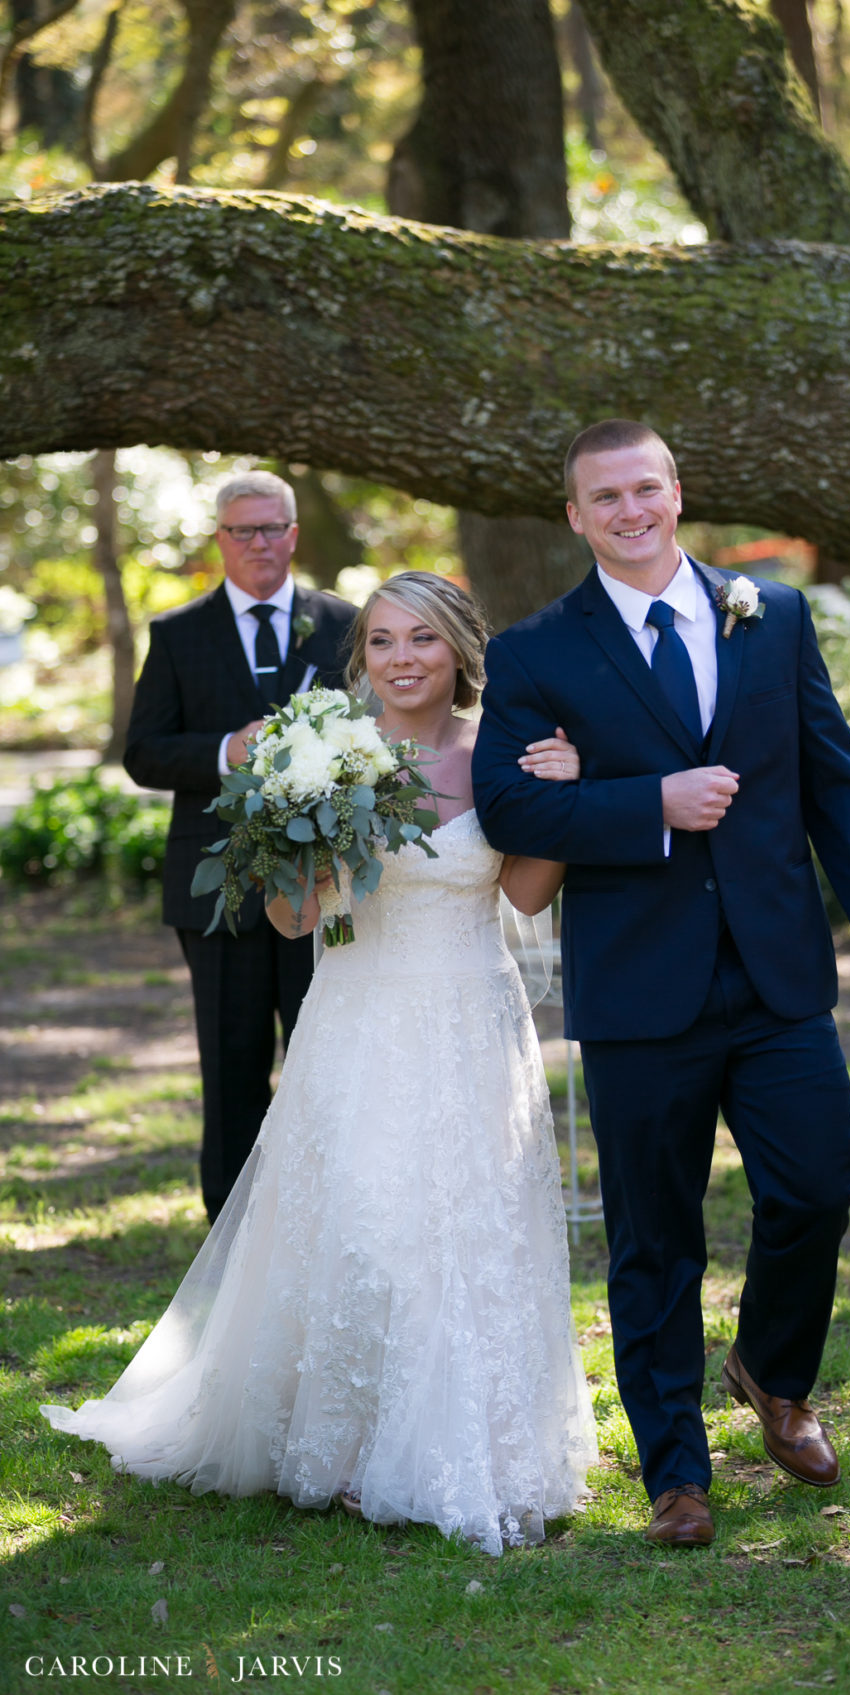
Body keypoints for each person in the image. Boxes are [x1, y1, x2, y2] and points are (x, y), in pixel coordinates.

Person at [43, 572, 597, 1555]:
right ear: (361, 657)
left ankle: (481, 1441)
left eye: (421, 640)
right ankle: (342, 1442)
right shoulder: (326, 751)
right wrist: (301, 818)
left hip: (472, 1013)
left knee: (467, 1221)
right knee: (364, 1218)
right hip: (358, 1012)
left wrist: (561, 800)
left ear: (460, 651)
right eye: (381, 641)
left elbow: (521, 895)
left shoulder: (499, 753)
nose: (400, 659)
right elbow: (293, 918)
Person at [471, 419, 850, 1549]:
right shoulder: (536, 654)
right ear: (573, 516)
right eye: (602, 498)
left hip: (775, 973)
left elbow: (835, 778)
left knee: (818, 1184)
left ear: (677, 493)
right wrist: (645, 803)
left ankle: (771, 1373)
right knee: (655, 1237)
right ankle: (675, 1473)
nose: (628, 512)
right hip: (637, 986)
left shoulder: (771, 614)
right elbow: (511, 813)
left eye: (644, 490)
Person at [123, 471, 356, 1223]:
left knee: (327, 1059)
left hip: (322, 880)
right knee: (230, 1066)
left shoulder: (346, 622)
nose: (258, 543)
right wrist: (228, 748)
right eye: (241, 530)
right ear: (220, 539)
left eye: (271, 528)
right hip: (215, 885)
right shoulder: (177, 633)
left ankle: (324, 1220)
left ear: (293, 533)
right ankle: (229, 1234)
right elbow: (144, 751)